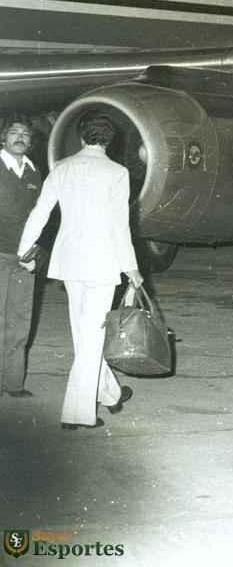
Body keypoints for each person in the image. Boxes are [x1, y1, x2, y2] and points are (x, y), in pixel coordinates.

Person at [18, 113, 142, 429]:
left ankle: (110, 395)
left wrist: (24, 250)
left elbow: (40, 212)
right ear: (109, 140)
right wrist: (132, 267)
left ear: (81, 136)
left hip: (69, 262)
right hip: (103, 262)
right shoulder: (117, 172)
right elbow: (119, 227)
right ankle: (77, 414)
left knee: (84, 335)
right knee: (92, 336)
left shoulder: (62, 168)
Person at [0, 119, 42, 398]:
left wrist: (37, 251)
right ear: (3, 137)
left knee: (20, 319)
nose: (20, 137)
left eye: (25, 134)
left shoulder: (34, 172)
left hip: (25, 257)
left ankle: (14, 383)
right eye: (14, 132)